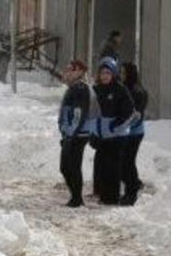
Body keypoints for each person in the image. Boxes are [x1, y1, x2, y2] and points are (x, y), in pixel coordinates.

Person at [92, 57, 135, 205]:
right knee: (102, 166)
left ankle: (112, 197)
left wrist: (116, 124)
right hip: (102, 135)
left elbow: (129, 112)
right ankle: (104, 195)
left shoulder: (120, 90)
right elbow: (91, 113)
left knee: (114, 167)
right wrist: (93, 133)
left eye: (108, 73)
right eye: (102, 73)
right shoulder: (96, 90)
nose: (105, 76)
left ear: (113, 74)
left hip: (117, 135)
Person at [58, 59, 99, 208]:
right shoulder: (74, 88)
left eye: (71, 70)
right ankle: (75, 197)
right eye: (67, 69)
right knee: (66, 167)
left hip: (78, 134)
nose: (67, 72)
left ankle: (76, 198)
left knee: (71, 166)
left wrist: (70, 134)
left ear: (80, 72)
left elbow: (78, 115)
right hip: (71, 134)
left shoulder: (80, 89)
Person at [120, 62, 148, 206]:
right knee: (125, 162)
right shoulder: (126, 88)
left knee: (127, 162)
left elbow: (136, 115)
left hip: (134, 133)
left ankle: (131, 193)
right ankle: (134, 185)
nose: (121, 75)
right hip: (126, 132)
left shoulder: (137, 92)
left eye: (124, 73)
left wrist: (123, 126)